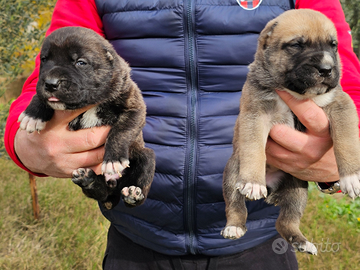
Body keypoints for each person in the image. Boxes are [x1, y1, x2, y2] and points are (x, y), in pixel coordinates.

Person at [5, 0, 360, 269]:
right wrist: (25, 142)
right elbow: (54, 59)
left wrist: (338, 158)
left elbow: (348, 84)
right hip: (137, 236)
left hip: (259, 240)